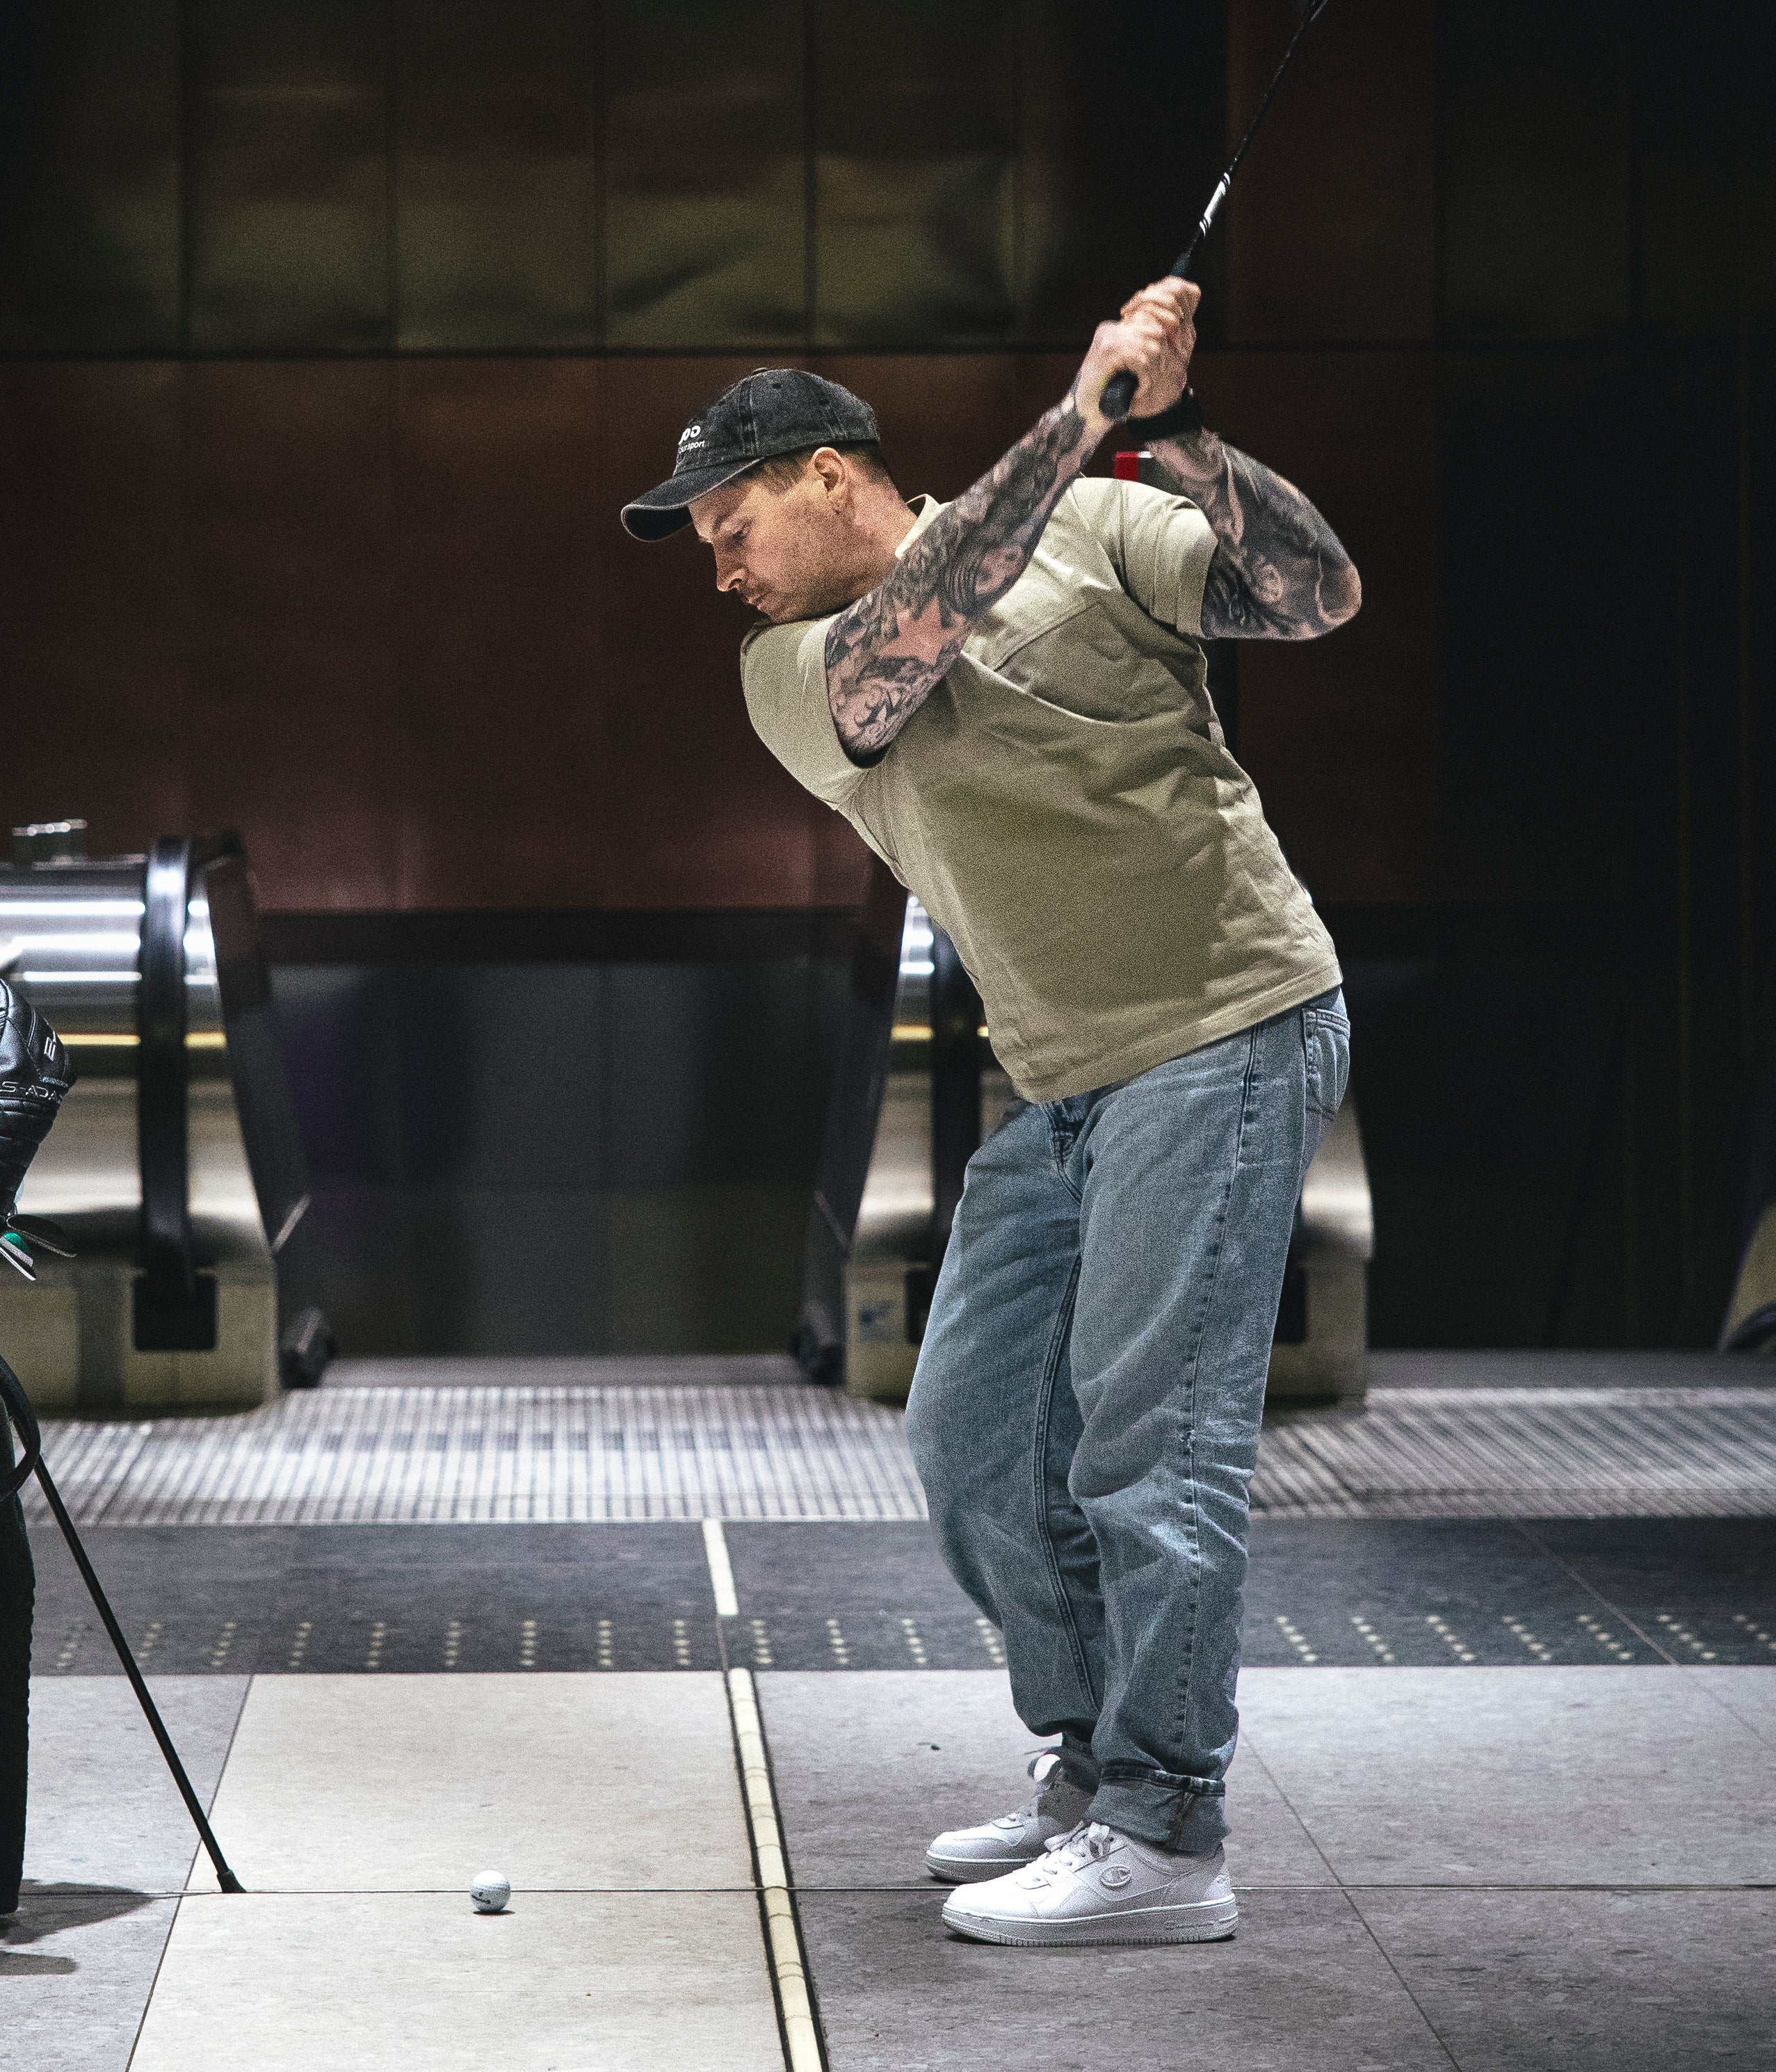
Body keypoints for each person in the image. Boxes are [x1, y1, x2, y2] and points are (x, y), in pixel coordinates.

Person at [622, 278, 1358, 1947]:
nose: (720, 570)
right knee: (969, 1437)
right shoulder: (787, 668)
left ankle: (1166, 1827)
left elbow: (1311, 593)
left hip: (1225, 1024)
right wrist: (1079, 417)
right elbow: (904, 655)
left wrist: (1175, 433)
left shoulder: (1096, 526)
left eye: (731, 527)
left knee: (1149, 1445)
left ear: (827, 473)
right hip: (1065, 1082)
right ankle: (1091, 1764)